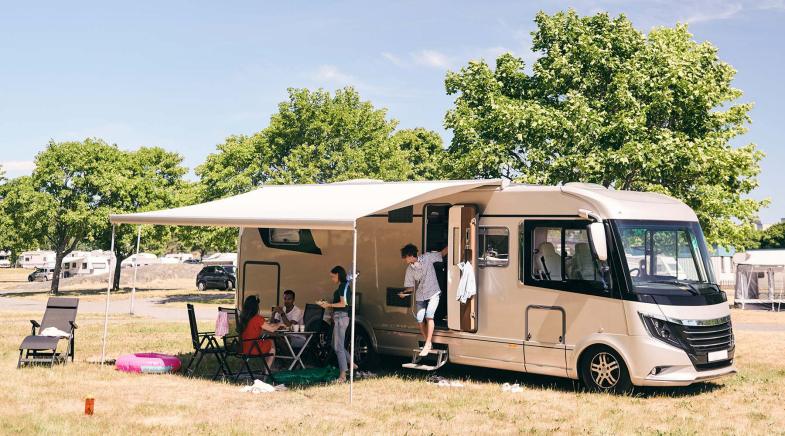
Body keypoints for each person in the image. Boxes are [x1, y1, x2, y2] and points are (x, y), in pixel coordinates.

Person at [399, 243, 448, 357]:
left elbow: (442, 253)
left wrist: (453, 241)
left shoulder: (427, 258)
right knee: (420, 319)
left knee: (429, 315)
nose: (404, 259)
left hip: (433, 292)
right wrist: (404, 293)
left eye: (405, 257)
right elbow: (411, 287)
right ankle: (428, 342)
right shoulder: (409, 270)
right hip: (421, 294)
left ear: (410, 255)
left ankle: (426, 344)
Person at [317, 265, 355, 383]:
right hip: (339, 317)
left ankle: (343, 375)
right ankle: (352, 364)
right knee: (335, 344)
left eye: (333, 276)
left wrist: (329, 305)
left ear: (338, 275)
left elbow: (343, 304)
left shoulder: (343, 286)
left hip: (341, 318)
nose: (332, 278)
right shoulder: (343, 286)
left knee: (338, 347)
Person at [238, 295, 283, 368]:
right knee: (271, 342)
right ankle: (267, 370)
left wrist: (273, 325)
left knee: (267, 342)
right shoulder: (257, 318)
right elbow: (272, 329)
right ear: (256, 307)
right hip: (253, 347)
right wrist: (280, 324)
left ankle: (268, 368)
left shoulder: (243, 318)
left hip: (242, 347)